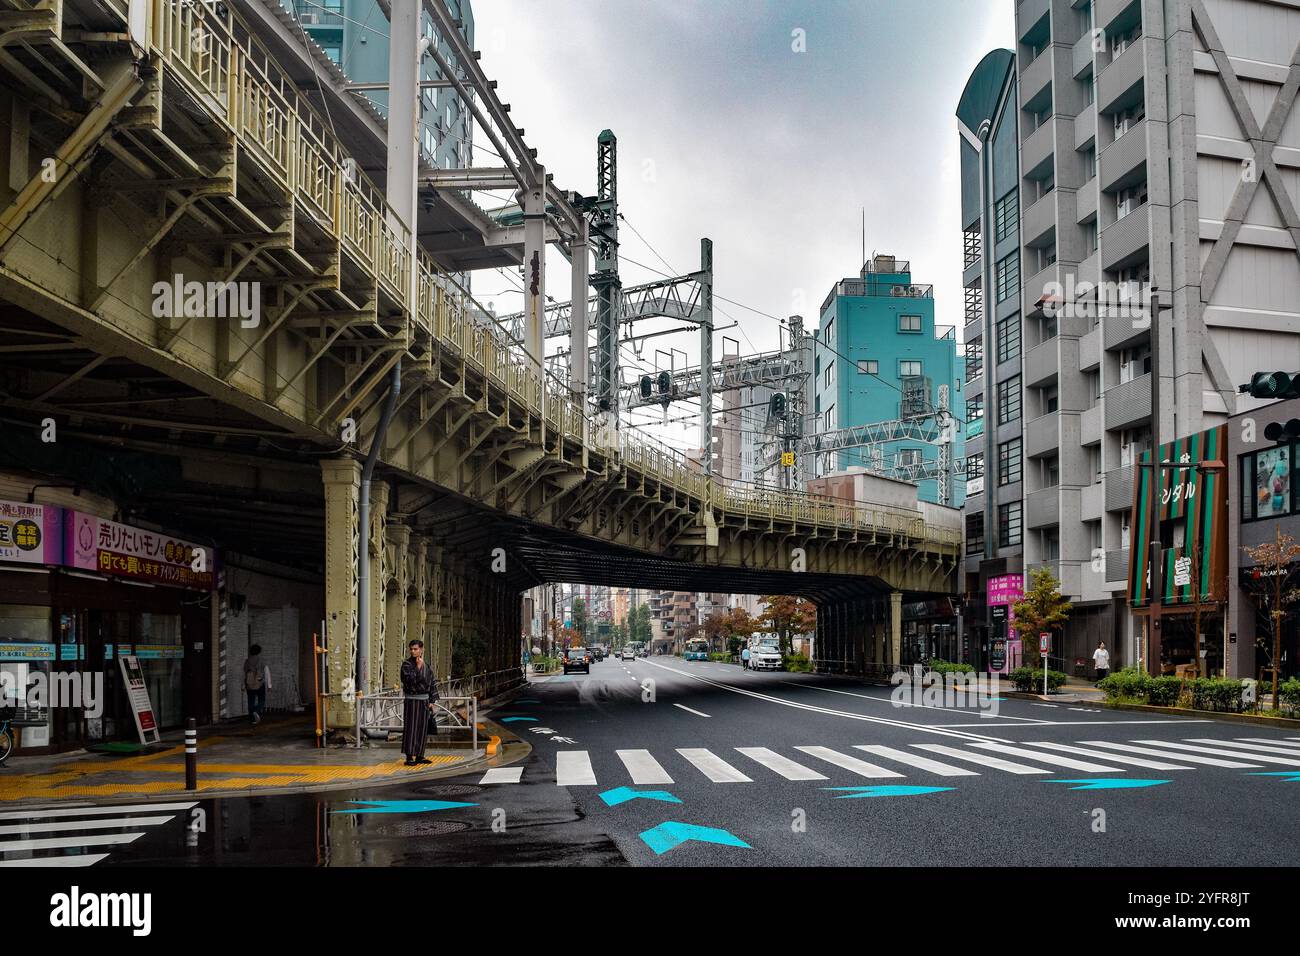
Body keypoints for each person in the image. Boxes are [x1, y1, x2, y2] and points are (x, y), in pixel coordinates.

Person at [400, 639, 438, 766]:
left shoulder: (426, 665)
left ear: (421, 650)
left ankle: (420, 755)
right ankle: (409, 756)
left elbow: (432, 682)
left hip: (424, 701)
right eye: (411, 649)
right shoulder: (407, 664)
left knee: (422, 728)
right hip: (411, 701)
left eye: (415, 649)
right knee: (411, 728)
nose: (413, 651)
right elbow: (408, 680)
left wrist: (432, 700)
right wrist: (418, 667)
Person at [243, 644, 270, 724]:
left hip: (249, 684)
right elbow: (267, 672)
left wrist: (243, 685)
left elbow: (244, 674)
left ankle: (252, 720)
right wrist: (269, 685)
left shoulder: (247, 661)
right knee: (262, 700)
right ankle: (256, 711)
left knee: (250, 701)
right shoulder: (261, 661)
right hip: (259, 683)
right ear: (259, 651)